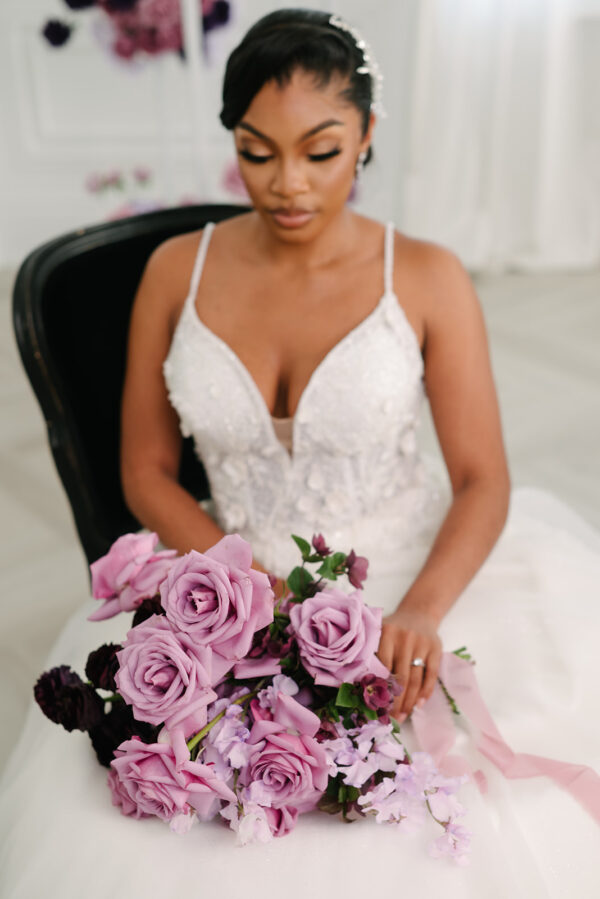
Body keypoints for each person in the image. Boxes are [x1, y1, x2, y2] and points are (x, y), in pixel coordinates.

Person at [1, 8, 599, 898]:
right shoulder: (175, 271)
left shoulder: (429, 276)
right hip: (231, 576)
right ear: (232, 138)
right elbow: (143, 472)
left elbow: (482, 477)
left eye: (321, 152)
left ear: (366, 134)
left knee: (452, 817)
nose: (286, 184)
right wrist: (240, 587)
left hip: (413, 572)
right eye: (256, 150)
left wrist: (424, 613)